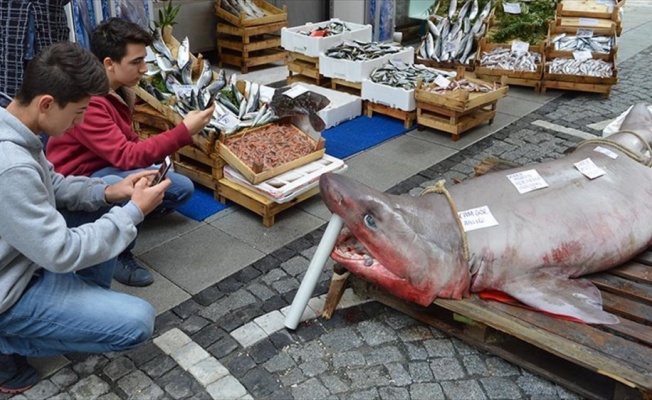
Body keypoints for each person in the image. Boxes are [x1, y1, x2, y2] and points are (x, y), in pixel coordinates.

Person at [0, 41, 169, 394]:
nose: (79, 122)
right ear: (46, 103)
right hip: (11, 289)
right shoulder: (10, 165)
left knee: (104, 190)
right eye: (77, 112)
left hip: (26, 261)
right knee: (136, 322)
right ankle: (7, 342)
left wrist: (111, 193)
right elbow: (60, 252)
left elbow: (54, 183)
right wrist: (134, 212)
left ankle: (74, 309)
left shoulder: (17, 124)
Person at [46, 18, 215, 287]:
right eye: (136, 62)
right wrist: (182, 132)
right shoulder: (89, 102)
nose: (144, 69)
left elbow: (129, 142)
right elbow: (127, 156)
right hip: (77, 185)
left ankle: (128, 213)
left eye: (143, 60)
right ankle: (118, 249)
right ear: (109, 64)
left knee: (181, 187)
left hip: (107, 168)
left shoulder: (119, 90)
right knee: (127, 184)